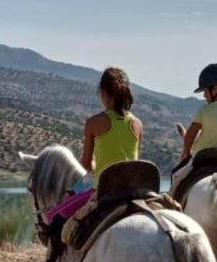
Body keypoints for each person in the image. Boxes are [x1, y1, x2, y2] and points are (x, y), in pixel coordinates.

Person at [42, 67, 144, 229]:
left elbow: (87, 167)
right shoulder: (138, 124)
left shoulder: (94, 123)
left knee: (54, 218)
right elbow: (133, 162)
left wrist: (77, 188)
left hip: (104, 192)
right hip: (133, 191)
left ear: (103, 93)